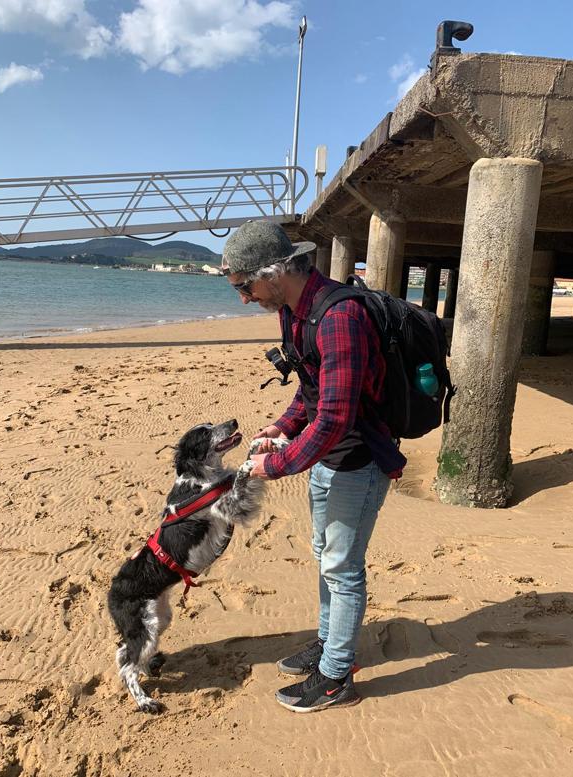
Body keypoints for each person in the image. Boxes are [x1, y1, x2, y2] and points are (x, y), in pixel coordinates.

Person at [222, 220, 406, 713]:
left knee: (342, 568)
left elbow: (336, 414)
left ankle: (336, 678)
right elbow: (310, 391)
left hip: (360, 458)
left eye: (244, 286)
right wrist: (279, 428)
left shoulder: (339, 316)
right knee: (325, 553)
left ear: (275, 271)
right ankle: (329, 646)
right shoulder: (294, 312)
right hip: (330, 457)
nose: (243, 298)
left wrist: (278, 464)